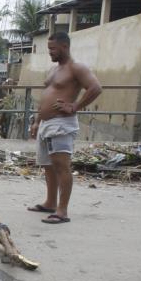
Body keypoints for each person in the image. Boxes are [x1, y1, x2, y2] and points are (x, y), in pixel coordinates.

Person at [28, 31, 102, 224]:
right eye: (49, 49)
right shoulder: (54, 70)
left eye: (53, 49)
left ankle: (62, 211)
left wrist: (75, 106)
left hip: (61, 124)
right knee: (48, 166)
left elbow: (95, 88)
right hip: (46, 124)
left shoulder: (76, 68)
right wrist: (37, 120)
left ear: (65, 47)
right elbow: (46, 94)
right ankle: (50, 202)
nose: (50, 52)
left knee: (62, 166)